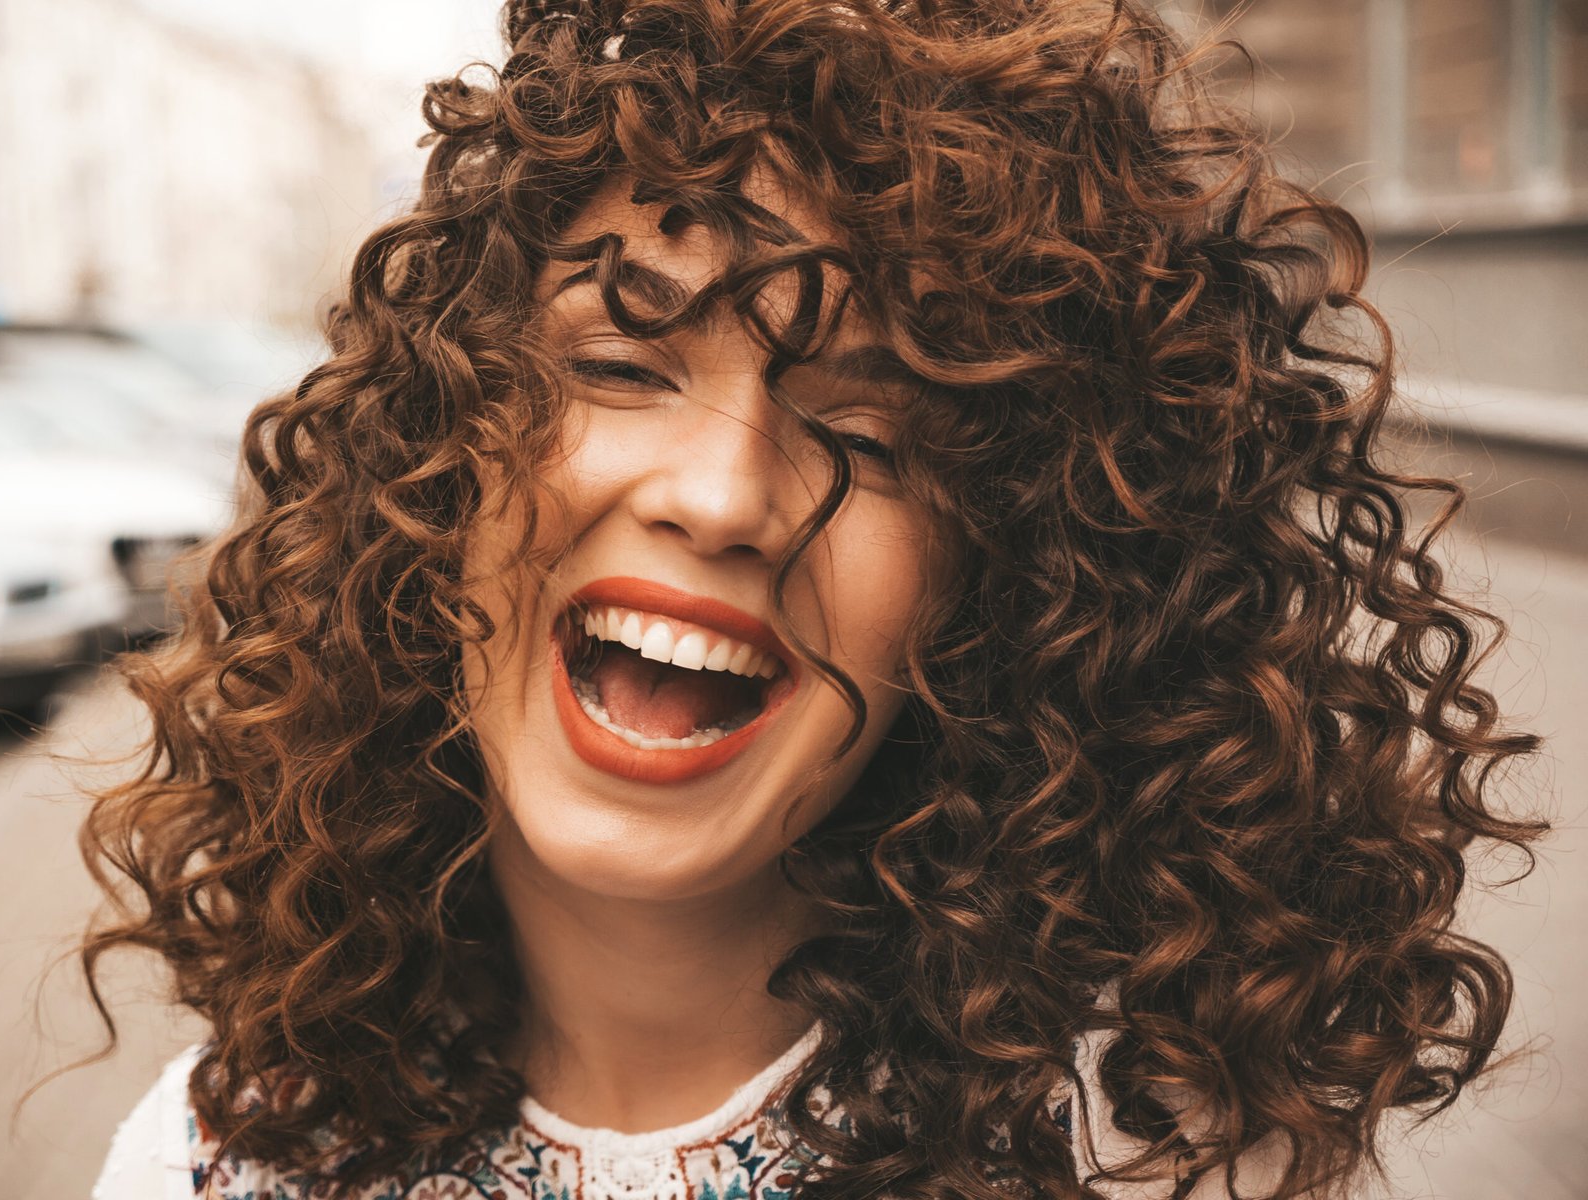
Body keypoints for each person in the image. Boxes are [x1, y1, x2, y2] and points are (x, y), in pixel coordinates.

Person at [82, 1, 1544, 1197]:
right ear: (436, 464)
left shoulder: (1147, 1164)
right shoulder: (216, 1163)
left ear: (1015, 591)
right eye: (622, 365)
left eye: (871, 442)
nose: (720, 499)